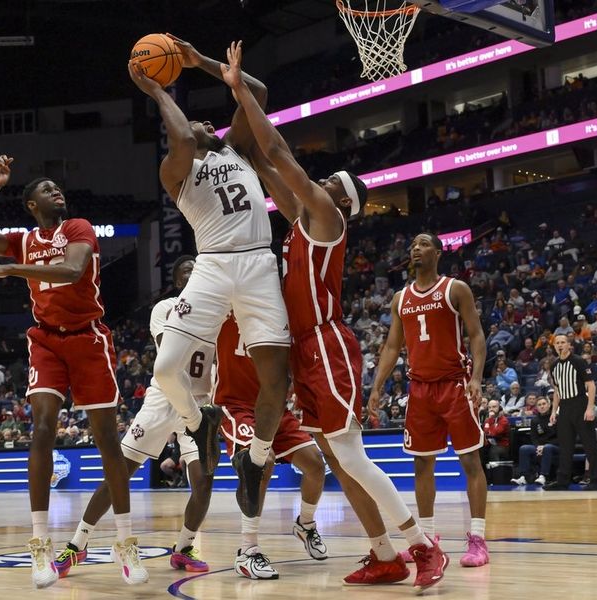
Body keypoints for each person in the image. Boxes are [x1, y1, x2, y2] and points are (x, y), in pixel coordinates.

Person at [221, 42, 446, 591]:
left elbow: (275, 151)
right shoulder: (303, 219)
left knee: (348, 454)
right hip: (304, 348)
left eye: (327, 183)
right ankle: (384, 554)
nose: (315, 184)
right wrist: (237, 147)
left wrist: (239, 90)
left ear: (339, 199)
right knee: (341, 462)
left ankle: (423, 545)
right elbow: (266, 166)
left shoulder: (325, 216)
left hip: (325, 344)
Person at [0, 156, 146, 588]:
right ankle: (40, 545)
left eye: (57, 187)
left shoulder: (77, 227)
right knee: (42, 428)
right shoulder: (22, 240)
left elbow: (71, 270)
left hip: (89, 339)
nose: (55, 191)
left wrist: (10, 269)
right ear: (30, 205)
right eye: (45, 189)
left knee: (108, 444)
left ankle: (126, 543)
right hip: (46, 340)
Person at [128, 37, 291, 515]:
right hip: (214, 265)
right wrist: (158, 90)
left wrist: (200, 62)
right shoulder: (175, 171)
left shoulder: (236, 149)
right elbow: (180, 138)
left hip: (260, 263)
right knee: (164, 369)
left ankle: (256, 459)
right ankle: (197, 422)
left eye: (206, 120)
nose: (205, 123)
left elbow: (256, 94)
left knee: (275, 382)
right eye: (198, 120)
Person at [57, 255, 216, 577]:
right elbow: (167, 354)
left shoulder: (220, 310)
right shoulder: (166, 308)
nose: (194, 272)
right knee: (120, 472)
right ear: (177, 281)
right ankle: (78, 543)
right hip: (165, 398)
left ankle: (183, 547)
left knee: (204, 481)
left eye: (199, 269)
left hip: (200, 403)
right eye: (187, 270)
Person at [370, 231, 489, 569]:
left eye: (422, 244)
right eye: (412, 245)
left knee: (470, 462)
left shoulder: (456, 289)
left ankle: (478, 539)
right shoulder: (400, 298)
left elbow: (476, 335)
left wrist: (477, 378)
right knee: (422, 463)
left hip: (454, 384)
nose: (415, 249)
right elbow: (393, 347)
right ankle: (426, 539)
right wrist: (377, 386)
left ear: (438, 253)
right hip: (419, 389)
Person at [215, 314, 329, 579]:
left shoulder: (277, 309)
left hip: (275, 406)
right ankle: (247, 550)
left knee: (315, 464)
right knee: (259, 465)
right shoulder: (223, 303)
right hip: (237, 405)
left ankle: (306, 524)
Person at [544, 334, 597, 490]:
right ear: (554, 346)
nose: (560, 345)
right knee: (565, 446)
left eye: (563, 342)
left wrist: (590, 408)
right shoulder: (554, 365)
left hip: (580, 403)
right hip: (565, 407)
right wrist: (554, 411)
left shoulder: (578, 361)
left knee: (589, 444)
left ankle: (595, 480)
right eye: (557, 343)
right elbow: (557, 391)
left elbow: (591, 385)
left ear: (569, 345)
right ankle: (562, 481)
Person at [511, 397, 559, 486]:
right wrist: (538, 447)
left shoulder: (556, 417)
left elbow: (560, 437)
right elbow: (533, 437)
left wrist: (544, 446)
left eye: (544, 404)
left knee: (547, 448)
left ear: (549, 405)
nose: (542, 406)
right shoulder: (535, 420)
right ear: (536, 407)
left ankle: (543, 476)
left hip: (555, 446)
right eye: (539, 405)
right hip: (540, 446)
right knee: (524, 448)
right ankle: (524, 477)